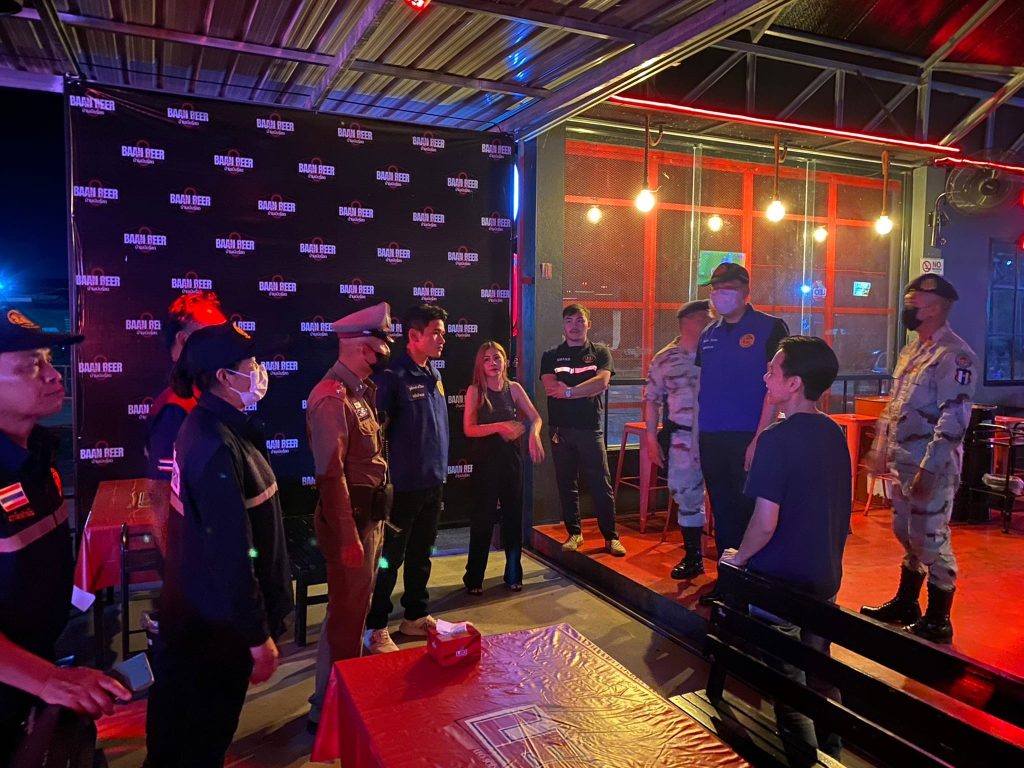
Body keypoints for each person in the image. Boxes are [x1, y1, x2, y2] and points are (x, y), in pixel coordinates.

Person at [145, 322, 293, 767]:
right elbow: (231, 553)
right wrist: (256, 635)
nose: (261, 371)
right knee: (198, 743)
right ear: (226, 377)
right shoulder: (213, 443)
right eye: (253, 364)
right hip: (213, 634)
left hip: (207, 624)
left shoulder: (221, 427)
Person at [0, 309, 130, 760]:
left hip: (34, 675)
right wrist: (46, 680)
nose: (55, 375)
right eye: (29, 366)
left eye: (48, 360)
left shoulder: (39, 454)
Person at [720, 335, 849, 766]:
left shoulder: (776, 438)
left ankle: (805, 761)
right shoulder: (833, 432)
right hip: (824, 574)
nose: (765, 377)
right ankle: (833, 751)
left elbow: (765, 521)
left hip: (780, 580)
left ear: (794, 383)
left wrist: (738, 558)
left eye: (772, 370)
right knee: (820, 671)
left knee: (788, 687)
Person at [861, 275, 976, 644]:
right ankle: (906, 602)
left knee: (930, 538)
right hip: (903, 462)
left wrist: (930, 467)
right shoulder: (912, 350)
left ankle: (938, 619)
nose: (908, 308)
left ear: (936, 308)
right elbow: (896, 406)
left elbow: (954, 419)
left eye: (915, 303)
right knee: (906, 532)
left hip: (931, 466)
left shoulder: (954, 356)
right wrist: (880, 448)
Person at [306, 302, 394, 732]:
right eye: (381, 345)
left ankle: (336, 700)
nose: (385, 352)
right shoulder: (331, 397)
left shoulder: (359, 391)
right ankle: (329, 712)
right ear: (363, 346)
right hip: (351, 523)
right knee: (345, 618)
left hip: (367, 518)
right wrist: (347, 536)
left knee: (353, 612)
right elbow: (330, 475)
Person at [696, 262, 788, 604]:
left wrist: (760, 437)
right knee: (722, 511)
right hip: (712, 436)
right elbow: (702, 387)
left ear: (746, 291)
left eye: (728, 289)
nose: (721, 295)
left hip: (750, 434)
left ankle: (756, 587)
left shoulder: (770, 328)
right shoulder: (709, 335)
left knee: (753, 511)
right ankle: (728, 582)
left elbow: (775, 388)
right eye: (716, 289)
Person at [364, 304, 449, 654]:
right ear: (413, 335)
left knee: (422, 554)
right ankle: (376, 626)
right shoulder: (392, 376)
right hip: (402, 487)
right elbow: (377, 434)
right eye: (435, 333)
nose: (442, 339)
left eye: (443, 333)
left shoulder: (433, 373)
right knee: (390, 558)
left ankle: (415, 615)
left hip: (433, 481)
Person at [541, 304, 625, 556]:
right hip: (560, 429)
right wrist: (583, 389)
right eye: (569, 320)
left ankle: (611, 538)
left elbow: (601, 382)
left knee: (601, 484)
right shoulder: (551, 355)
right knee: (567, 484)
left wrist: (568, 391)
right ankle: (574, 534)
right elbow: (550, 387)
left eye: (580, 320)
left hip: (590, 428)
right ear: (563, 325)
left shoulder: (600, 352)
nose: (574, 325)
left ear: (589, 324)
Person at [462, 341, 544, 594]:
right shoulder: (475, 391)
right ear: (480, 364)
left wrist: (534, 434)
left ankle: (513, 574)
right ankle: (474, 578)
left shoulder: (514, 388)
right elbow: (469, 429)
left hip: (511, 462)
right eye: (487, 359)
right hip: (485, 463)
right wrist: (500, 426)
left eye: (497, 357)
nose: (493, 363)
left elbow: (536, 417)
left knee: (512, 519)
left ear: (505, 361)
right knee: (482, 520)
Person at [644, 300, 712, 580]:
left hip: (719, 435)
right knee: (686, 495)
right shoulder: (666, 358)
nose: (708, 323)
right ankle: (693, 556)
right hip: (682, 436)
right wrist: (651, 438)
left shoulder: (718, 352)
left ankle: (733, 563)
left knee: (728, 496)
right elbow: (651, 399)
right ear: (686, 322)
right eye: (702, 319)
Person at [145, 291, 226, 479]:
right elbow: (163, 486)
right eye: (211, 337)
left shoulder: (200, 393)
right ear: (183, 340)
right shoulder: (176, 405)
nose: (221, 346)